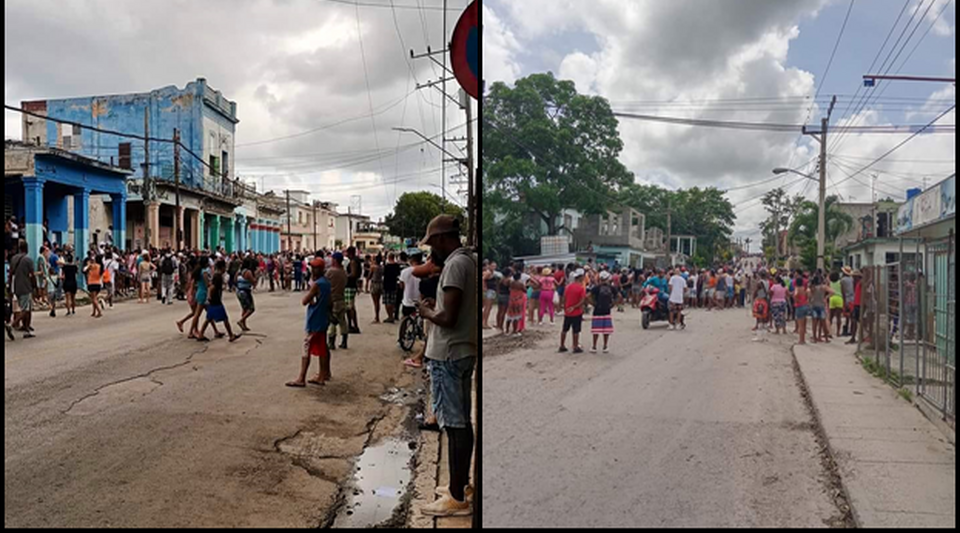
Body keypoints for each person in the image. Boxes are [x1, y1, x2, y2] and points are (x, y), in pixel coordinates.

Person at [416, 215, 476, 517]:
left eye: (432, 244)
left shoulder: (454, 264)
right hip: (461, 351)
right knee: (462, 422)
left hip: (449, 354)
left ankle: (456, 498)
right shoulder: (469, 261)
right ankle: (461, 485)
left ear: (441, 239)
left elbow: (448, 318)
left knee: (454, 425)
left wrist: (427, 312)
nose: (431, 252)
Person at [287, 258, 333, 388]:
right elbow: (329, 302)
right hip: (323, 319)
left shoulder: (317, 284)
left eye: (315, 268)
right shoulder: (326, 283)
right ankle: (322, 375)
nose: (313, 270)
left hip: (314, 320)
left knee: (306, 348)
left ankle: (301, 378)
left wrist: (311, 299)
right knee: (322, 348)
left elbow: (305, 300)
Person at [199, 260, 241, 343]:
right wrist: (209, 296)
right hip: (216, 300)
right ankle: (231, 335)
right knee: (225, 318)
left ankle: (201, 333)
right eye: (225, 267)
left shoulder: (216, 275)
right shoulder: (218, 276)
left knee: (209, 318)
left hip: (214, 300)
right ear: (222, 267)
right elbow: (212, 287)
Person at [9, 241, 36, 338]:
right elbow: (32, 275)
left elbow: (10, 274)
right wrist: (35, 286)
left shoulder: (14, 258)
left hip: (16, 287)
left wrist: (9, 288)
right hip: (26, 287)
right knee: (25, 310)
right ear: (27, 248)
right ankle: (12, 324)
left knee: (26, 309)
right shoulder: (28, 260)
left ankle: (26, 328)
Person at [559, 269, 586, 353]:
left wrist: (564, 306)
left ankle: (562, 345)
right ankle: (575, 346)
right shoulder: (581, 288)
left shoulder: (568, 287)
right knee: (576, 330)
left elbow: (563, 298)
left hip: (567, 311)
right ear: (581, 277)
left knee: (564, 329)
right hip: (576, 312)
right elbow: (582, 301)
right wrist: (575, 307)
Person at [326, 252, 349, 350]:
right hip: (341, 299)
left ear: (335, 260)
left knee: (332, 322)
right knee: (342, 321)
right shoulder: (343, 272)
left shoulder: (331, 271)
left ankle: (331, 342)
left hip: (333, 300)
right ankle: (344, 341)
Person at [589, 271, 615, 352]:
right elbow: (619, 296)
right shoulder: (611, 288)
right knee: (606, 330)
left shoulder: (596, 288)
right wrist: (613, 304)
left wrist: (593, 303)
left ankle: (594, 346)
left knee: (596, 330)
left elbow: (587, 296)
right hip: (607, 310)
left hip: (597, 310)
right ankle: (605, 346)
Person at [236, 257, 257, 332]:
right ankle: (241, 320)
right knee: (251, 308)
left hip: (239, 290)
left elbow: (235, 280)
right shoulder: (248, 272)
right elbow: (253, 281)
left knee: (244, 308)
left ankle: (243, 325)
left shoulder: (239, 271)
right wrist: (256, 276)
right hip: (245, 291)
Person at [505, 270, 526, 336]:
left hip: (511, 299)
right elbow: (525, 290)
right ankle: (515, 331)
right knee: (516, 316)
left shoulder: (511, 283)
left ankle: (507, 330)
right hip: (518, 299)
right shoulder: (520, 284)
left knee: (510, 315)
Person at [382, 253, 401, 323]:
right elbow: (398, 275)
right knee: (393, 301)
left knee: (387, 301)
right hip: (394, 285)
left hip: (386, 285)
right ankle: (392, 316)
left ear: (388, 257)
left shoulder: (386, 266)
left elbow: (383, 275)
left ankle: (390, 316)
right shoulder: (397, 266)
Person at [793, 277, 810, 344]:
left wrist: (797, 300)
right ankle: (803, 339)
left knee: (800, 325)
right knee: (804, 325)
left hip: (799, 306)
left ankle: (801, 340)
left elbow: (795, 295)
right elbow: (809, 295)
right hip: (805, 305)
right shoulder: (805, 289)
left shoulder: (797, 288)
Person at [481, 261, 497, 329]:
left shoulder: (492, 273)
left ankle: (485, 322)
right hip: (489, 291)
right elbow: (483, 279)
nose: (494, 267)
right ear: (489, 266)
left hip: (492, 291)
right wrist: (484, 287)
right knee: (487, 308)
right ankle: (484, 323)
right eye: (492, 266)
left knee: (489, 308)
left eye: (495, 266)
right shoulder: (488, 273)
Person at [840, 266, 855, 336]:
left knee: (847, 315)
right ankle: (852, 330)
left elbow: (843, 291)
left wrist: (844, 300)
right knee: (852, 316)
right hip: (853, 298)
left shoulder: (842, 280)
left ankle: (846, 329)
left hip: (847, 298)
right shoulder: (852, 279)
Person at [828, 271, 844, 337]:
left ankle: (829, 332)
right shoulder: (840, 283)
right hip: (839, 298)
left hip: (832, 298)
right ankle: (838, 332)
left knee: (830, 317)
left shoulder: (830, 283)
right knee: (838, 317)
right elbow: (843, 291)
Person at [369, 255, 383, 323]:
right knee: (378, 301)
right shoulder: (382, 267)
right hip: (380, 283)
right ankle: (377, 316)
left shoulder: (373, 267)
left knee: (375, 302)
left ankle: (376, 317)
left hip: (374, 283)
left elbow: (369, 276)